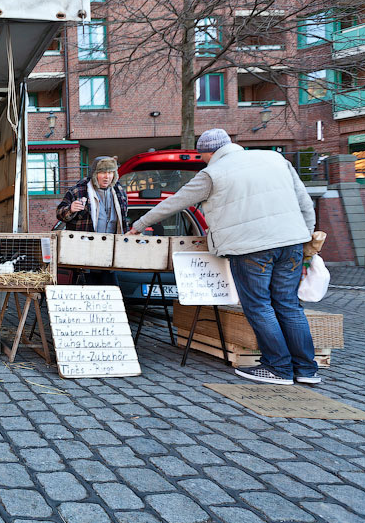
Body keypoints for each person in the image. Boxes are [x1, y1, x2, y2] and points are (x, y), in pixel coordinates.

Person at [127, 128, 319, 385]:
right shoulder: (276, 160)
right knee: (288, 304)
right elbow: (304, 202)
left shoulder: (213, 173)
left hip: (251, 248)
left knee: (259, 306)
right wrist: (306, 236)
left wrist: (139, 225)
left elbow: (175, 202)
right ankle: (306, 370)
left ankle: (278, 368)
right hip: (292, 242)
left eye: (202, 155)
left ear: (208, 152)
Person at [56, 156, 128, 284]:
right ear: (95, 174)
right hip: (85, 253)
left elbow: (123, 219)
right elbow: (60, 215)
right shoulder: (78, 191)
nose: (107, 176)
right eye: (103, 172)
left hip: (109, 252)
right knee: (87, 293)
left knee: (111, 294)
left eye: (111, 172)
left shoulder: (119, 191)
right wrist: (71, 209)